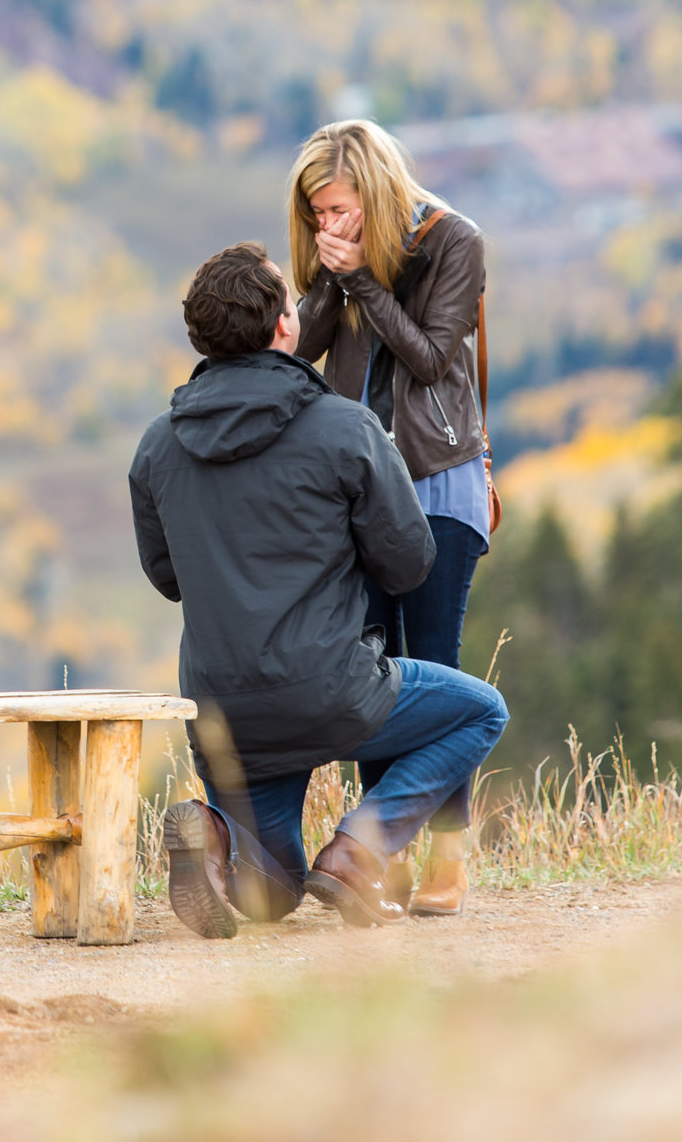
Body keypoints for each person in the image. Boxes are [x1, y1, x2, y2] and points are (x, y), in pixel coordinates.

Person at [130, 242, 508, 937]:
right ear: (283, 327)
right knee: (480, 711)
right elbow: (410, 561)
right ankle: (359, 848)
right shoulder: (344, 428)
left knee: (270, 891)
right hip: (332, 689)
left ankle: (215, 835)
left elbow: (167, 577)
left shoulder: (158, 446)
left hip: (224, 713)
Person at [288, 119, 492, 916]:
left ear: (372, 193)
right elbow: (297, 347)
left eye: (338, 208)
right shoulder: (338, 264)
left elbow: (432, 356)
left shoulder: (453, 241)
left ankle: (448, 855)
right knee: (372, 676)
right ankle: (379, 847)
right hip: (360, 486)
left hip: (439, 479)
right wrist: (330, 280)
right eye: (315, 213)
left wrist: (365, 282)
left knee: (434, 664)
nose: (326, 226)